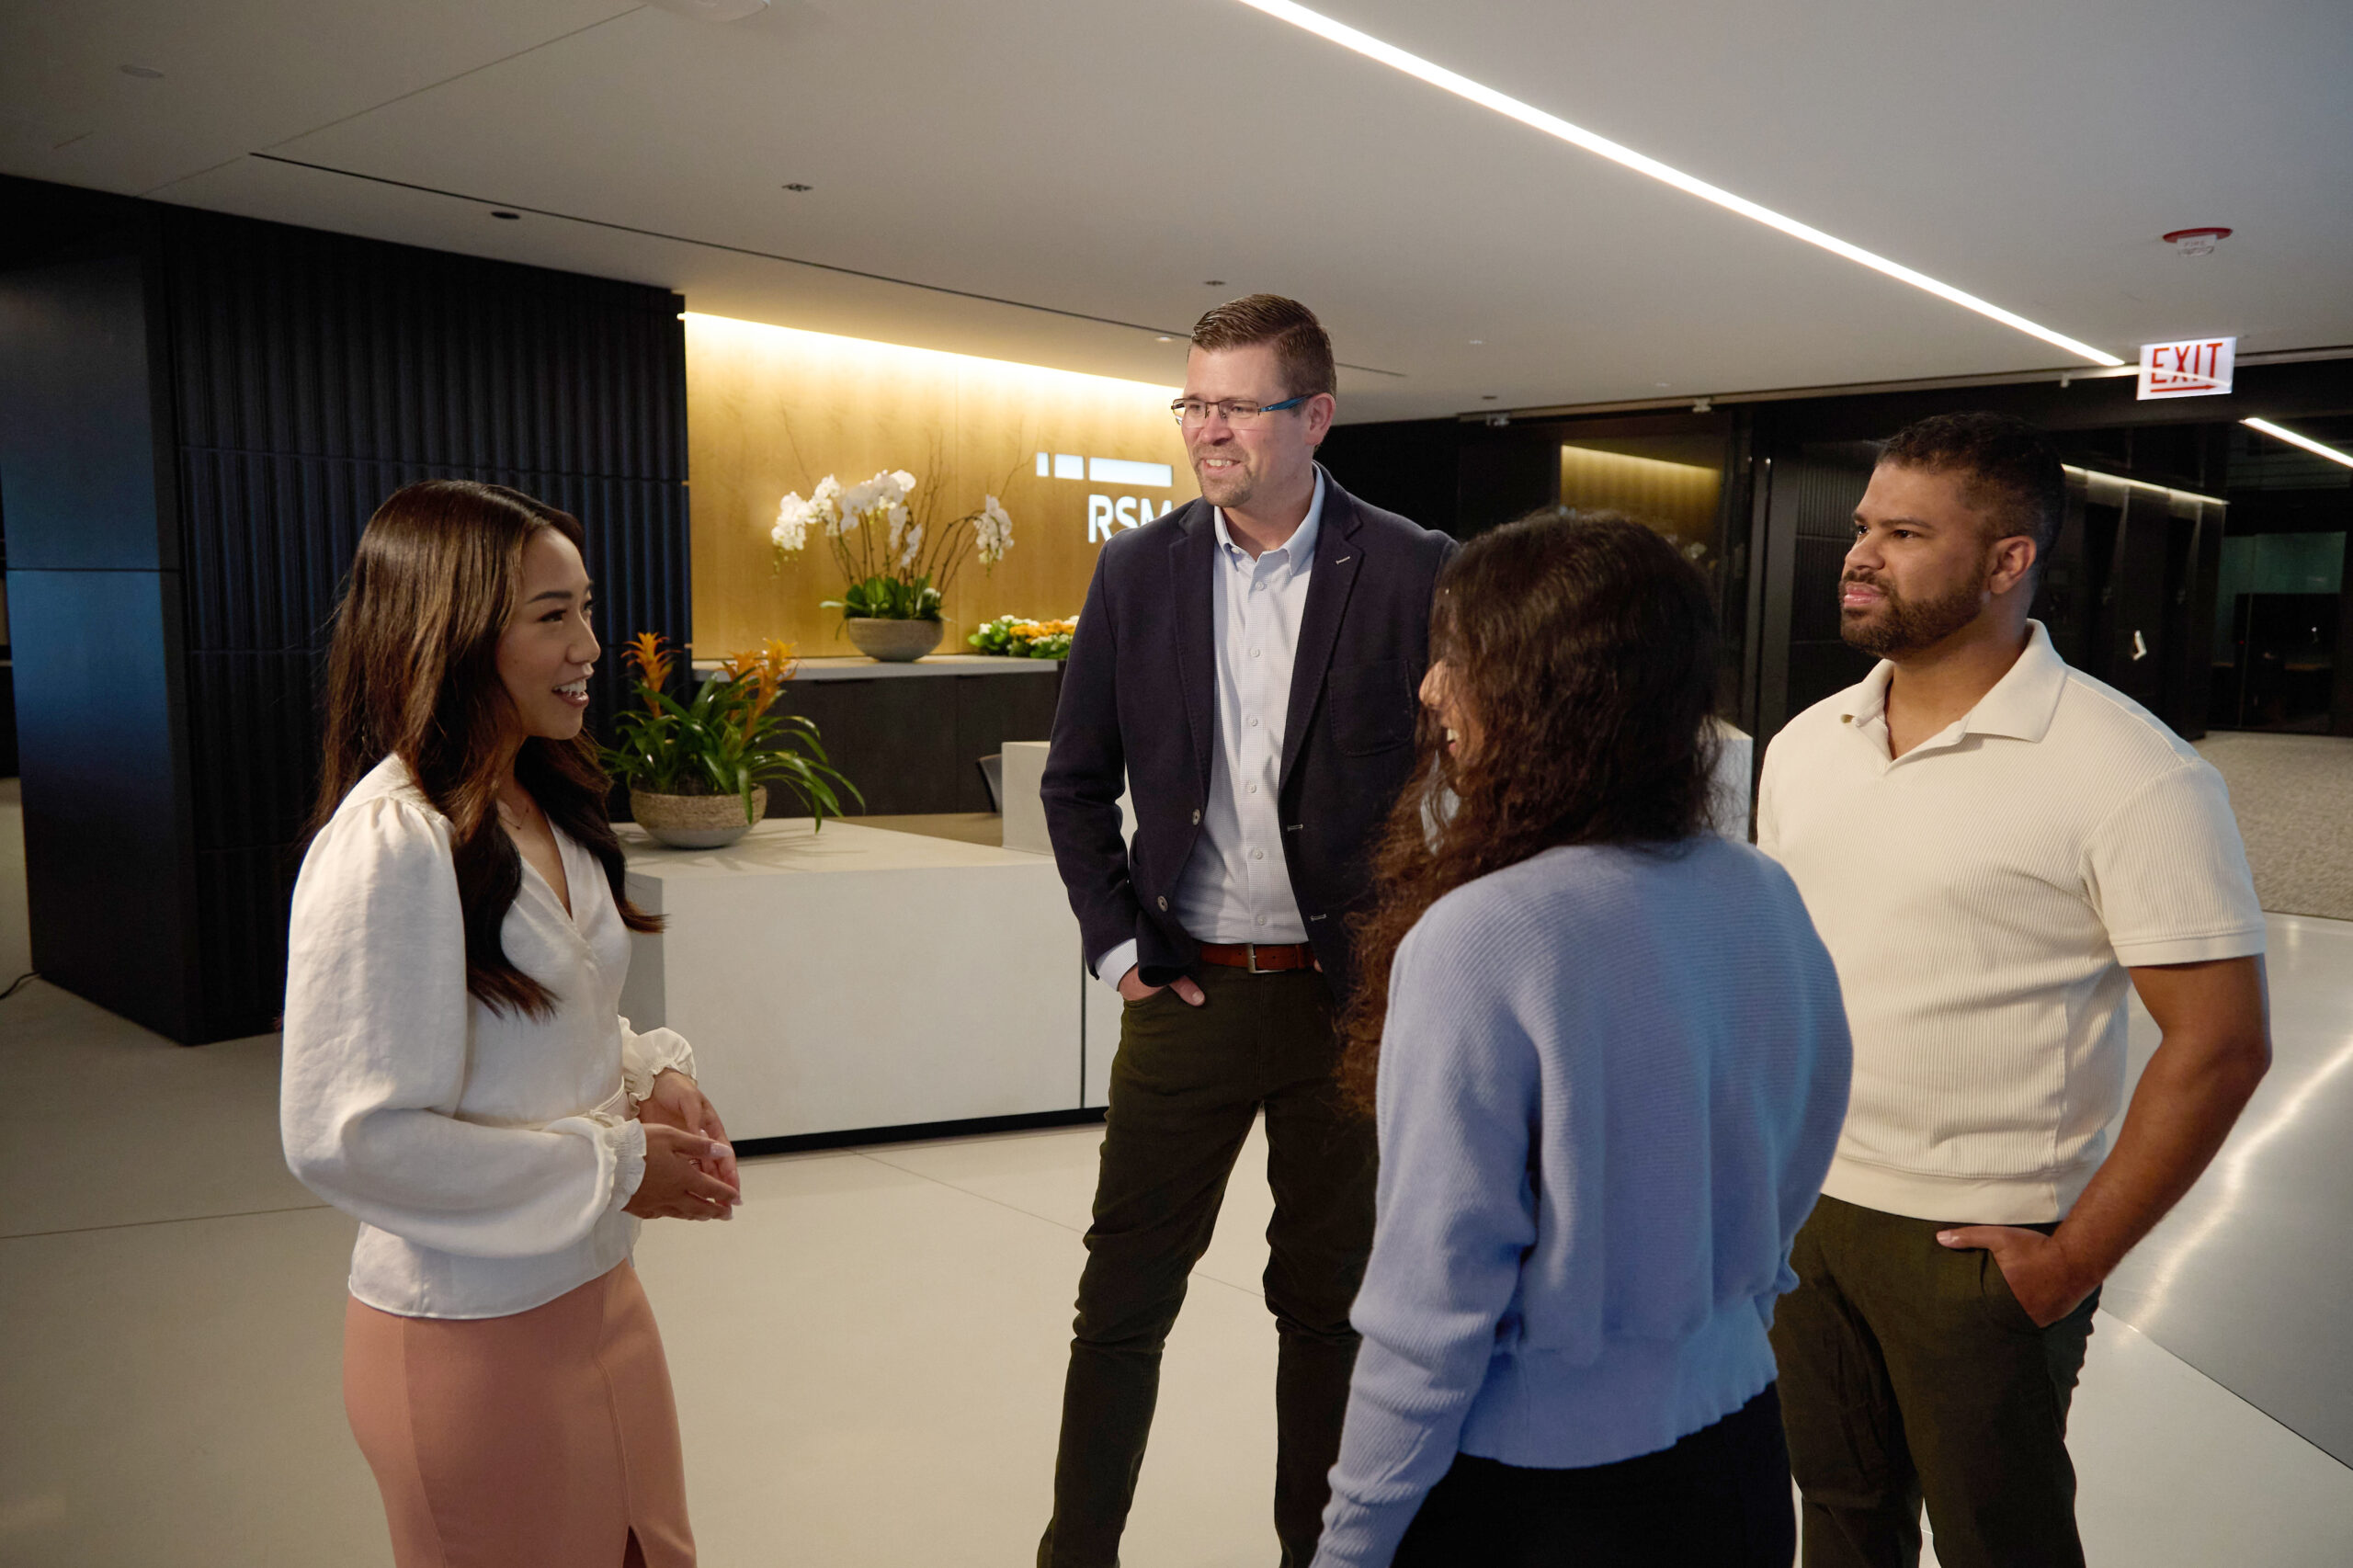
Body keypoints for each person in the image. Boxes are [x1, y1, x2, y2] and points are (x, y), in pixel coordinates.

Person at [1758, 413, 2272, 1568]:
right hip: (1806, 1215)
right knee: (1837, 1516)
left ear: (2007, 560)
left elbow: (2220, 1042)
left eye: (1902, 532)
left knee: (2003, 1539)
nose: (1858, 554)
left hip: (1977, 1239)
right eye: (1860, 527)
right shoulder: (1805, 743)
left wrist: (2073, 1255)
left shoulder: (2130, 771)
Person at [1312, 512, 1853, 1568]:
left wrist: (1351, 1540)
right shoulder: (1759, 890)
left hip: (1542, 1496)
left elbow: (1431, 1306)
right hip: (1739, 1452)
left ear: (1537, 692)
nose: (1430, 690)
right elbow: (1803, 1140)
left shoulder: (1481, 937)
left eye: (1456, 656)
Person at [1037, 294, 1457, 1567]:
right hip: (1189, 990)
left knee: (1328, 1309)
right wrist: (1121, 949)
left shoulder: (1411, 566)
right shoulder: (1139, 570)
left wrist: (1419, 958)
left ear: (1313, 417)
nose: (1206, 429)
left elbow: (1468, 779)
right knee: (1121, 1300)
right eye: (1193, 403)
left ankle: (1317, 1553)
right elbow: (1074, 781)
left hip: (1347, 1005)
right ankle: (1078, 1552)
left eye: (1234, 404)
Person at [280, 480, 743, 1568]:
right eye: (552, 615)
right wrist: (617, 1165)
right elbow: (347, 1136)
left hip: (600, 1299)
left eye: (585, 607)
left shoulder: (543, 799)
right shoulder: (391, 843)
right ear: (449, 629)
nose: (590, 643)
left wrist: (641, 1072)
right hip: (468, 1339)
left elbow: (547, 1010)